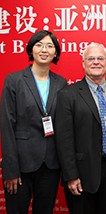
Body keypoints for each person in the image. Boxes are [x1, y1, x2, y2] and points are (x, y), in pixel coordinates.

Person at [55, 42, 106, 214]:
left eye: (100, 58)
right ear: (83, 63)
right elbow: (64, 140)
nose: (96, 62)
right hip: (82, 174)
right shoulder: (68, 94)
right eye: (91, 59)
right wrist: (71, 176)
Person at [0, 30, 67, 213]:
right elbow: (6, 125)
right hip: (20, 164)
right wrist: (10, 169)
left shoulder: (61, 83)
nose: (44, 49)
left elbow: (63, 126)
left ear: (55, 52)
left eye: (49, 45)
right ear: (31, 49)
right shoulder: (14, 80)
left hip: (51, 164)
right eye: (39, 44)